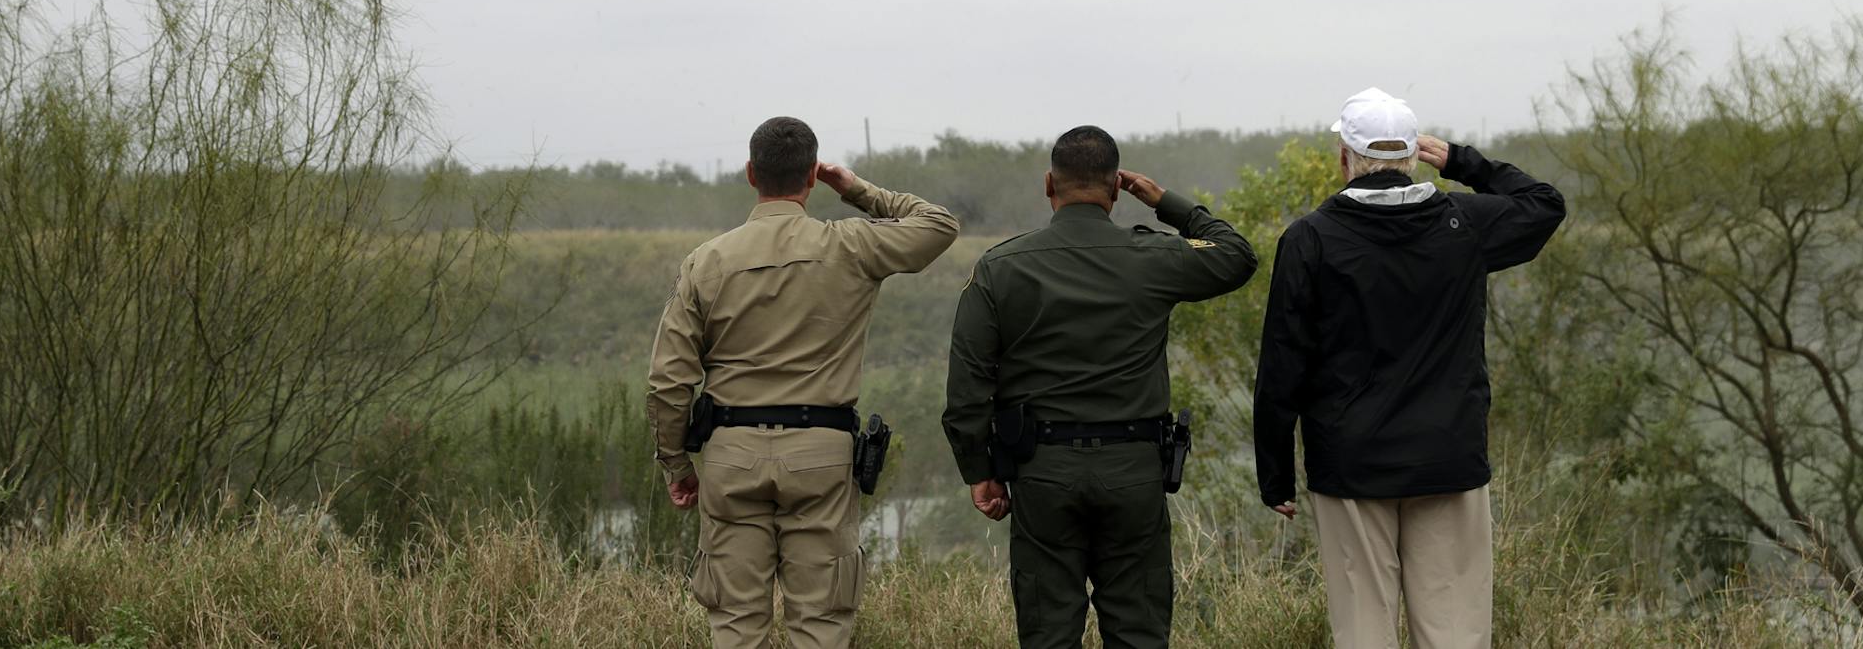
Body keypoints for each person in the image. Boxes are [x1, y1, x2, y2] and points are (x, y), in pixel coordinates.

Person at [1254, 88, 1566, 649]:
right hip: (1447, 455)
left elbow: (1283, 363)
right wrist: (1462, 161)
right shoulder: (1464, 225)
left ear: (1345, 159)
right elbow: (1544, 203)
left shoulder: (1311, 239)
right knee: (1454, 633)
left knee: (1364, 633)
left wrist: (1275, 473)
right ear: (1415, 155)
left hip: (1350, 465)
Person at [646, 116, 960, 649]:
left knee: (736, 625)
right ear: (813, 176)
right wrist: (859, 190)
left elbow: (669, 381)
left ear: (750, 173)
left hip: (731, 454)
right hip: (822, 454)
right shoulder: (851, 246)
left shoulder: (707, 261)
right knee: (820, 624)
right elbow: (938, 225)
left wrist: (677, 464)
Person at [943, 125, 1257, 648]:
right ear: (1117, 189)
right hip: (1133, 470)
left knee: (1048, 634)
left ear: (1049, 184)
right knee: (1138, 631)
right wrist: (1166, 203)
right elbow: (1237, 255)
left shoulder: (1000, 267)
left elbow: (969, 382)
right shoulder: (1152, 257)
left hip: (1042, 474)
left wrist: (981, 470)